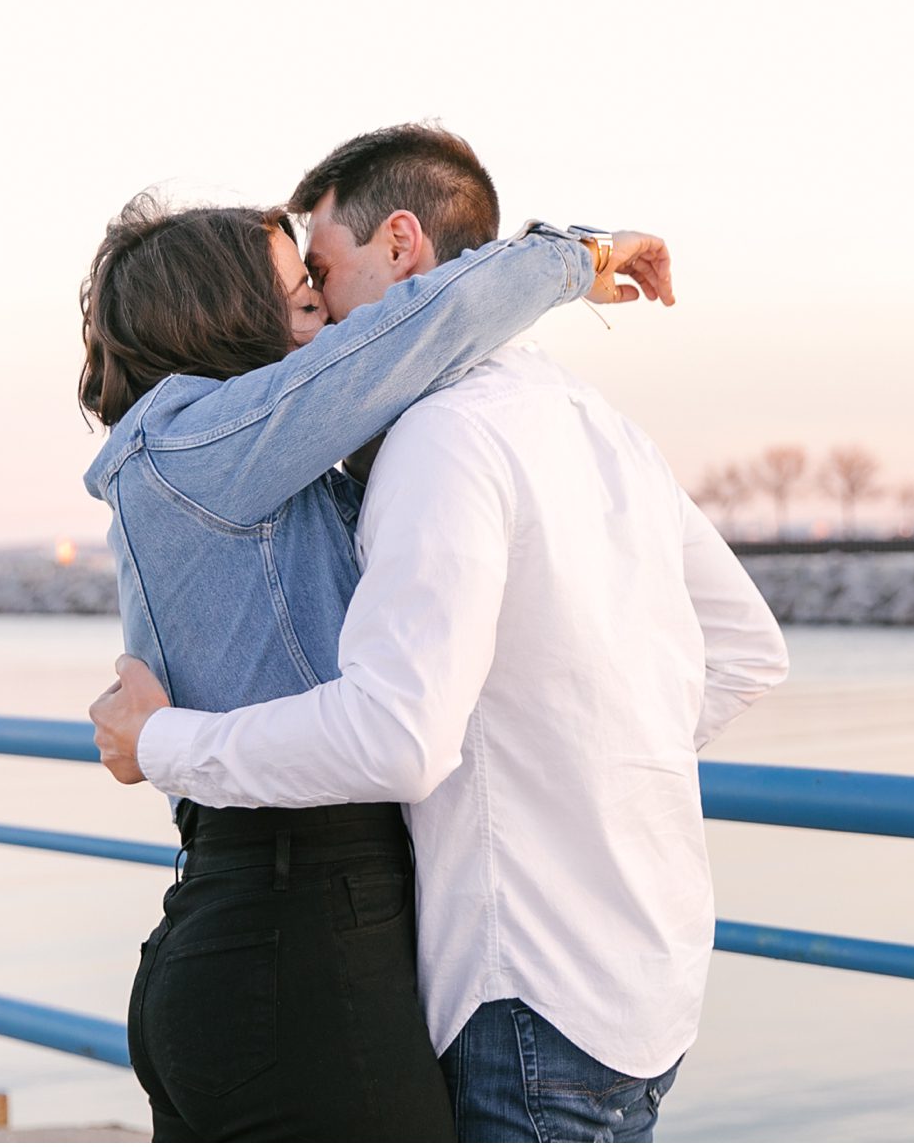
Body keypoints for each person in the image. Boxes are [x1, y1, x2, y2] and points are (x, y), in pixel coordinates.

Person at [91, 125, 789, 1142]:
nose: (326, 318)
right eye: (300, 299)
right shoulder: (595, 425)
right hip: (624, 970)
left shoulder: (438, 436)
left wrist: (160, 744)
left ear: (404, 248)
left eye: (318, 280)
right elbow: (742, 653)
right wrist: (575, 769)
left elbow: (398, 738)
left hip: (485, 972)